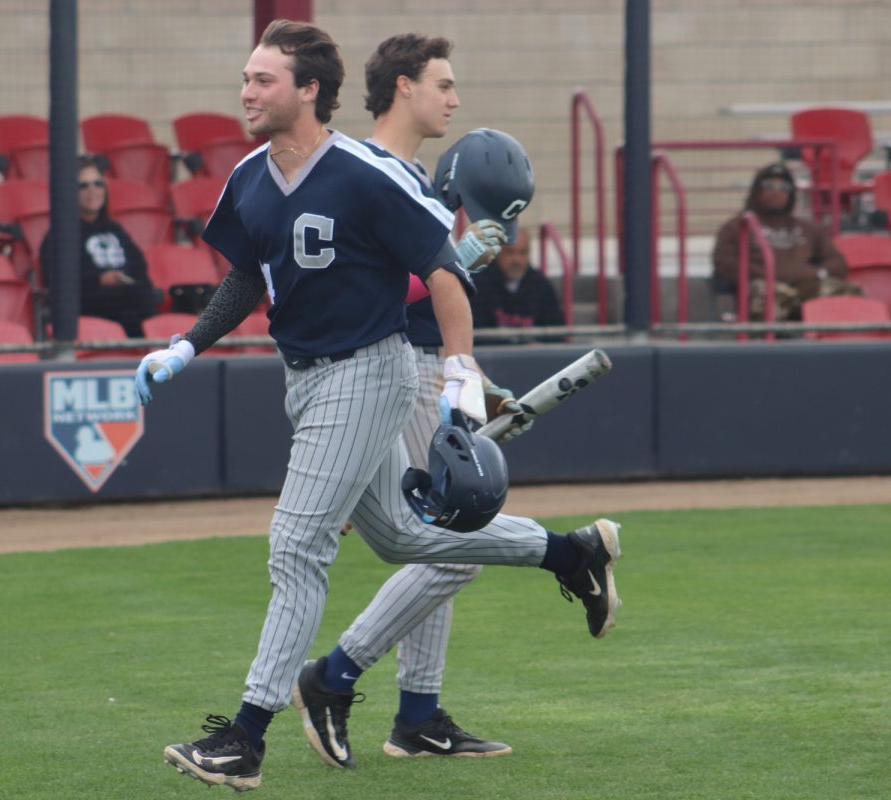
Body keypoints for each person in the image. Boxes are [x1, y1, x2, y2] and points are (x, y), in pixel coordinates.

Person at [144, 20, 621, 793]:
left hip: (369, 373)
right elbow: (245, 278)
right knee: (406, 538)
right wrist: (186, 344)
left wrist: (461, 367)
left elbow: (441, 274)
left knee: (297, 548)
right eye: (246, 76)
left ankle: (245, 737)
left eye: (263, 79)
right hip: (306, 378)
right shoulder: (250, 177)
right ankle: (569, 553)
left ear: (309, 91)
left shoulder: (367, 173)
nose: (246, 91)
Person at [289, 34, 533, 771]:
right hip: (386, 374)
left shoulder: (414, 176)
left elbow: (429, 304)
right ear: (403, 86)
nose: (455, 99)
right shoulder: (371, 174)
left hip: (424, 371)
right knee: (450, 542)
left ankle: (416, 715)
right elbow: (377, 298)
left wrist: (472, 375)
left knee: (450, 539)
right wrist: (456, 264)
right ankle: (334, 679)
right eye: (444, 84)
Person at [712, 162, 857, 321]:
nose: (776, 192)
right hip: (767, 289)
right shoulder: (737, 227)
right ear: (756, 190)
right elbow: (724, 265)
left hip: (806, 288)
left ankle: (837, 343)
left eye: (784, 188)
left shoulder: (809, 228)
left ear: (791, 194)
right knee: (762, 291)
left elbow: (837, 263)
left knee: (847, 291)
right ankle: (764, 343)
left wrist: (817, 273)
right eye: (769, 185)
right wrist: (768, 274)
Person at [37, 157, 161, 337]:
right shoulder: (59, 234)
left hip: (126, 300)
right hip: (87, 302)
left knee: (149, 299)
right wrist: (99, 280)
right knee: (141, 298)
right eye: (83, 186)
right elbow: (57, 282)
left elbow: (139, 266)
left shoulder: (115, 229)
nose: (92, 190)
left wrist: (122, 279)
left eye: (97, 184)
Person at [470, 227, 566, 337]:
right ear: (497, 252)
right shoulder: (479, 283)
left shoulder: (540, 284)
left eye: (523, 252)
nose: (517, 259)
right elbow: (476, 334)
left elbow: (557, 332)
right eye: (510, 252)